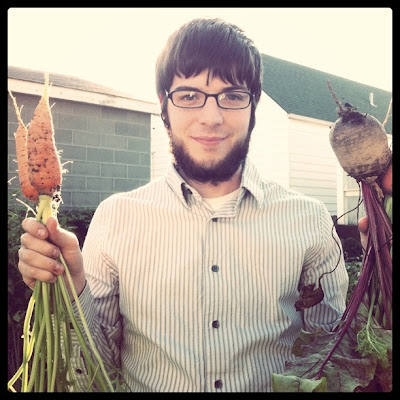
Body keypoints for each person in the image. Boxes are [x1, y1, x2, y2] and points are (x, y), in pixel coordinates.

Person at [17, 17, 349, 392]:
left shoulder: (309, 220)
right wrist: (72, 290)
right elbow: (94, 376)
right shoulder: (116, 218)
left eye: (232, 96)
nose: (211, 118)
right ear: (164, 105)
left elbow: (330, 361)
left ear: (253, 105)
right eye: (189, 96)